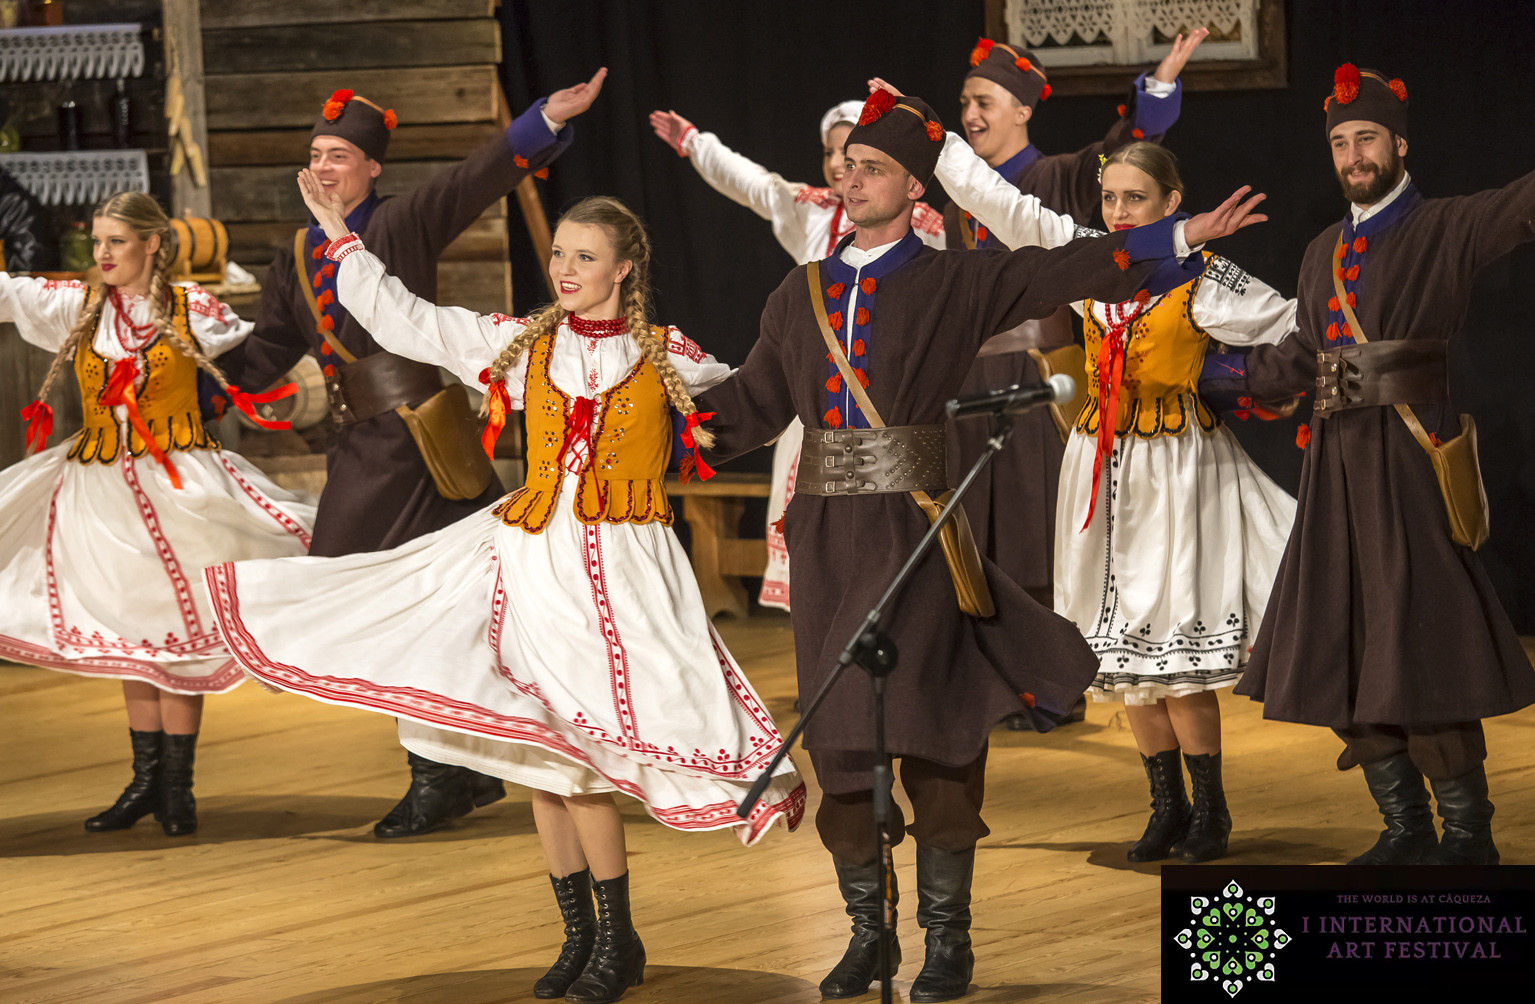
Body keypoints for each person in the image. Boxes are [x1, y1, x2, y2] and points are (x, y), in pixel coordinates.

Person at [694, 89, 1264, 1002]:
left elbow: (1065, 265)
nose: (852, 180)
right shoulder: (796, 295)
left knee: (935, 729)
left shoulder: (953, 280)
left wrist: (1180, 235)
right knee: (840, 742)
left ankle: (947, 941)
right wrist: (647, 425)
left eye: (873, 168)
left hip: (915, 528)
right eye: (847, 167)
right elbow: (747, 406)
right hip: (826, 538)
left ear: (913, 186)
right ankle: (867, 934)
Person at [205, 183, 805, 1003]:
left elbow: (755, 400)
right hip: (534, 559)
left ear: (624, 270)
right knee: (544, 757)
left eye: (584, 257)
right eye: (558, 254)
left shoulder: (669, 357)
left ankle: (618, 938)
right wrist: (343, 240)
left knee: (585, 760)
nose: (565, 269)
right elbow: (409, 319)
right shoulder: (522, 346)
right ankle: (581, 936)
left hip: (627, 567)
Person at [214, 72, 604, 838]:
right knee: (403, 605)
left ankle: (444, 776)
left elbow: (472, 179)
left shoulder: (400, 223)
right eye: (316, 156)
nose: (323, 168)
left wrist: (542, 121)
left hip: (418, 442)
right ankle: (458, 769)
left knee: (392, 599)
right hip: (362, 444)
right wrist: (203, 382)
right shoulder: (297, 251)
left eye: (338, 156)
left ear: (371, 168)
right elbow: (267, 351)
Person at [930, 136, 1301, 862]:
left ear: (1171, 203)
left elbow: (1294, 323)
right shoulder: (1090, 260)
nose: (1120, 211)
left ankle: (1210, 811)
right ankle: (1165, 808)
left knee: (1171, 649)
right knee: (1121, 653)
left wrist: (1246, 381)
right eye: (1109, 198)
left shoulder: (1205, 276)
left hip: (1175, 471)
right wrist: (933, 141)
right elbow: (1001, 205)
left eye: (1136, 198)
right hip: (1100, 470)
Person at [1229, 66, 1535, 866]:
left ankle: (1466, 835)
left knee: (1421, 646)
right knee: (1338, 642)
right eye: (1339, 142)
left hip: (1408, 464)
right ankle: (1404, 828)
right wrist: (1217, 377)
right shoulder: (1321, 250)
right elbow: (1304, 352)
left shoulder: (1447, 225)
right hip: (1334, 470)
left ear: (1398, 144)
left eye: (1365, 138)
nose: (1352, 155)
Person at [0, 192, 316, 837]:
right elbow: (8, 294)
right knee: (134, 636)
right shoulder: (77, 306)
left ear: (151, 244)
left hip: (180, 486)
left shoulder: (192, 308)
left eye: (116, 241)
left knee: (178, 637)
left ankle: (177, 788)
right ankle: (145, 781)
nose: (102, 253)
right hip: (102, 493)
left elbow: (267, 347)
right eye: (97, 241)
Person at [936, 36, 1203, 734]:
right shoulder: (959, 189)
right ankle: (995, 684)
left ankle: (1055, 685)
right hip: (972, 375)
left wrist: (1156, 92)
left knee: (1039, 533)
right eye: (964, 102)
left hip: (1039, 373)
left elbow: (1125, 146)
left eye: (983, 101)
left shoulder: (1057, 177)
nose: (970, 114)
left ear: (1021, 110)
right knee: (978, 533)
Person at [647, 100, 945, 612]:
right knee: (809, 524)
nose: (840, 166)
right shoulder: (813, 207)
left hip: (886, 400)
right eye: (834, 154)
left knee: (886, 543)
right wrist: (694, 142)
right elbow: (752, 182)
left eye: (855, 154)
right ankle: (817, 622)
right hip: (814, 393)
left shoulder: (925, 223)